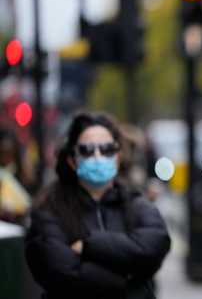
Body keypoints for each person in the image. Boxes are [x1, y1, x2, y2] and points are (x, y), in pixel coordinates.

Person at [25, 112, 171, 299]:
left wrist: (89, 246)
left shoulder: (137, 205)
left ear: (117, 158)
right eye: (87, 150)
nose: (97, 156)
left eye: (107, 149)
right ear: (72, 160)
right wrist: (128, 279)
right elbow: (60, 272)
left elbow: (153, 247)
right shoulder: (49, 210)